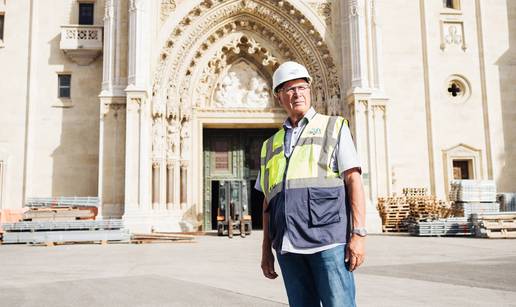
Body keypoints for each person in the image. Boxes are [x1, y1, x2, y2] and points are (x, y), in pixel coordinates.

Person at [256, 61, 366, 307]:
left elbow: (353, 179)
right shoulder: (269, 145)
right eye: (290, 89)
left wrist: (358, 234)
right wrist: (266, 251)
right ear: (278, 96)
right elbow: (267, 202)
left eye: (302, 87)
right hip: (287, 245)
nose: (297, 94)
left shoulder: (334, 126)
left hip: (327, 242)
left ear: (310, 90)